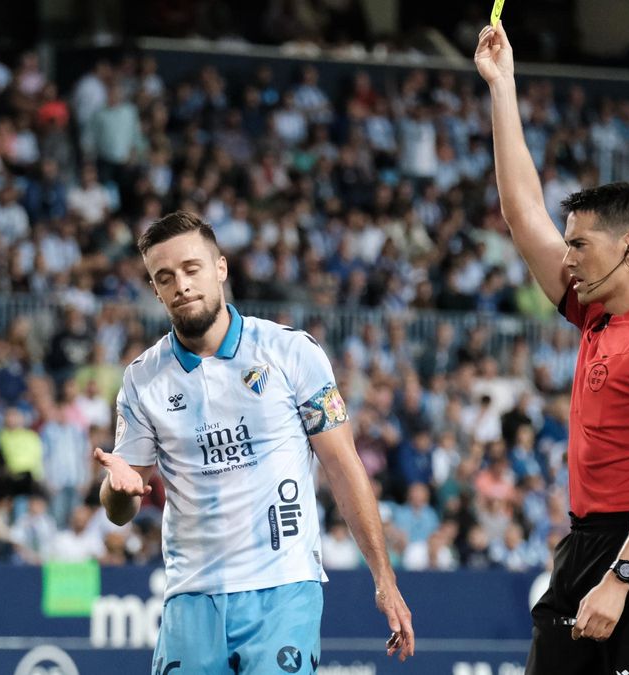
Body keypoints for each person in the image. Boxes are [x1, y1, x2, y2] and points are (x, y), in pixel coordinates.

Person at [475, 22, 629, 675]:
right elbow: (523, 213)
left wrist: (622, 574)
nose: (567, 257)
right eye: (569, 243)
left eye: (581, 244)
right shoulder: (595, 314)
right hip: (586, 538)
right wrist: (503, 87)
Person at [94, 211, 414, 674]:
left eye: (191, 268)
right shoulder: (143, 379)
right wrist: (116, 491)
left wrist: (384, 577)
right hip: (191, 596)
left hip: (282, 588)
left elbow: (345, 469)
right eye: (165, 277)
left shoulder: (291, 352)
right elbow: (120, 508)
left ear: (220, 268)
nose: (180, 285)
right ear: (155, 291)